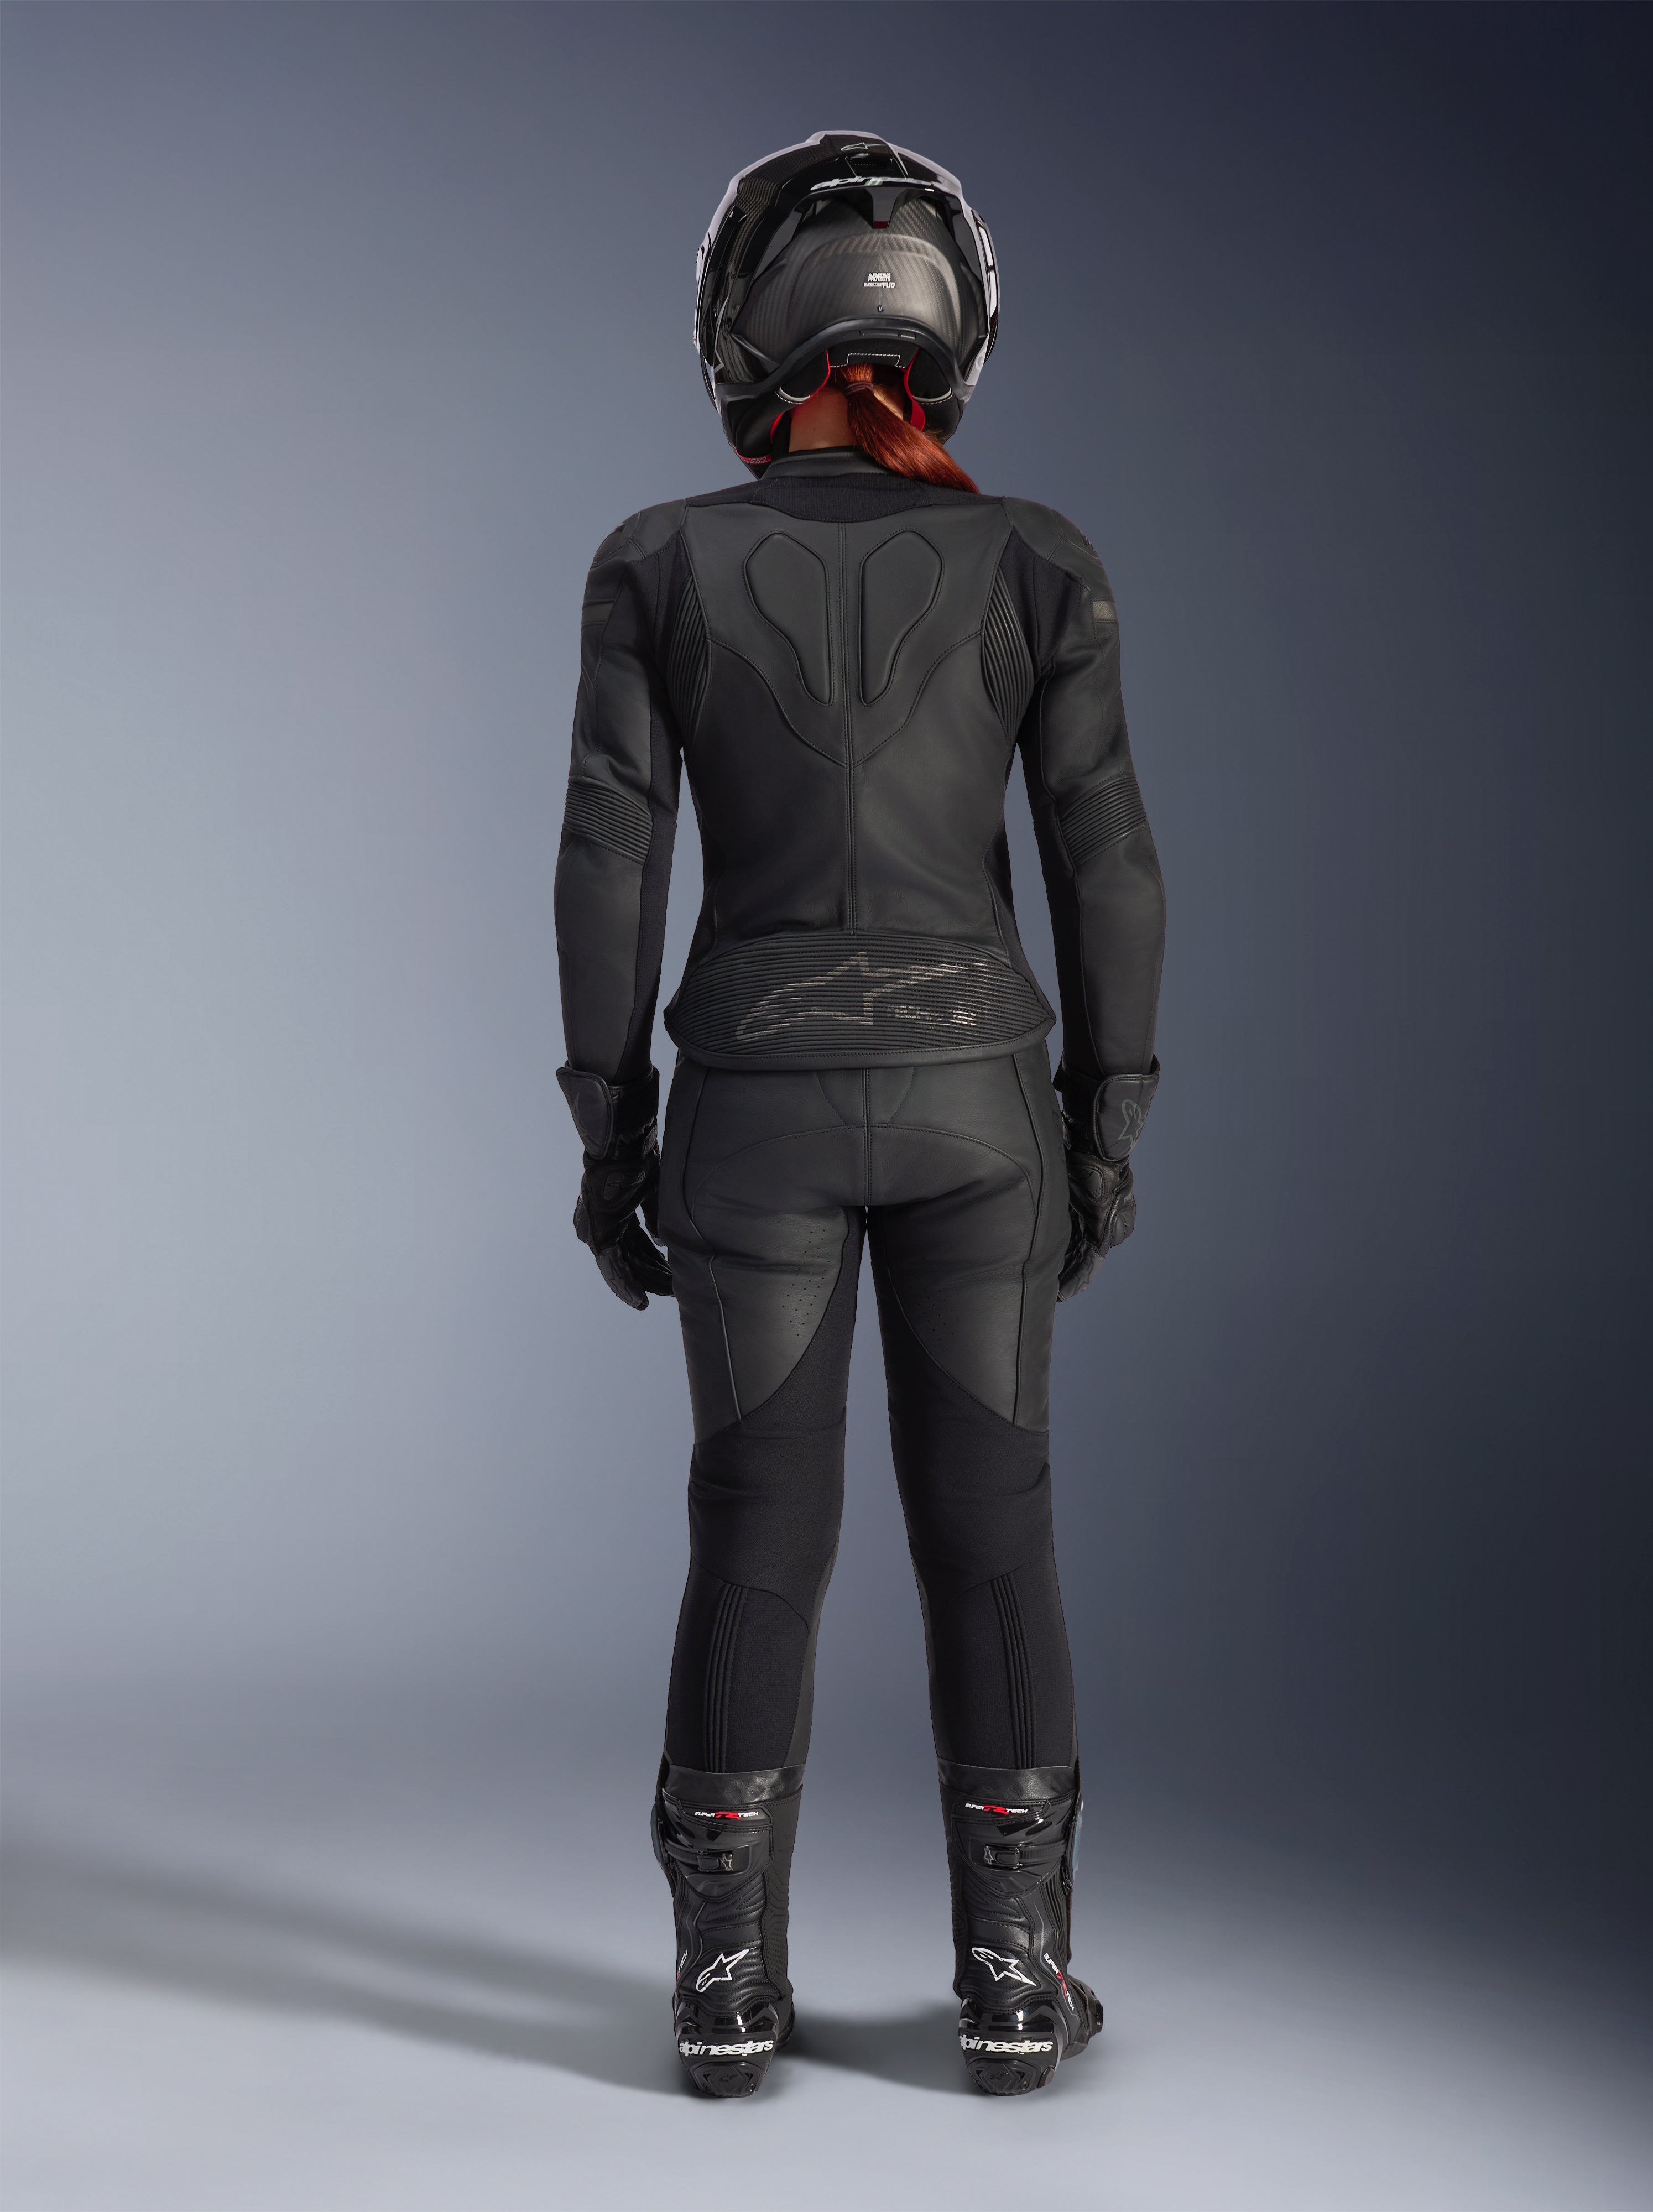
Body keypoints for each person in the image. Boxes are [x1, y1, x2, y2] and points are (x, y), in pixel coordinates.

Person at [554, 132, 1165, 2098]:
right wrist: (1108, 1122)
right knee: (994, 1529)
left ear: (747, 332)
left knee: (757, 1531)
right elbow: (1106, 859)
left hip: (753, 1106)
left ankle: (725, 1994)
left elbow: (609, 858)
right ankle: (1015, 1987)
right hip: (983, 1104)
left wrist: (608, 1134)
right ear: (950, 334)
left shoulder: (657, 560)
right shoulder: (1038, 559)